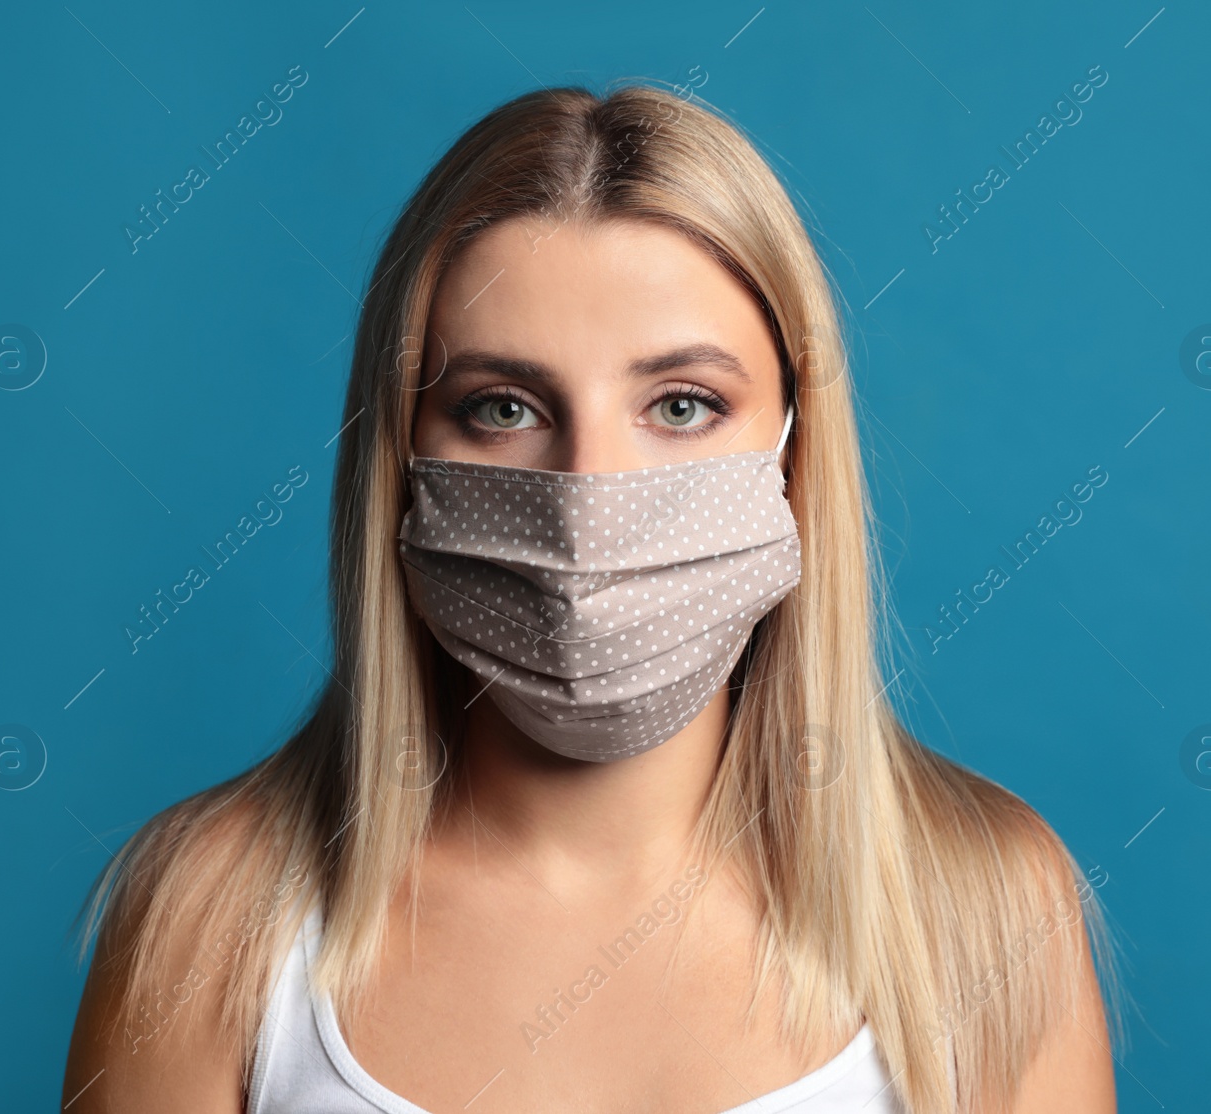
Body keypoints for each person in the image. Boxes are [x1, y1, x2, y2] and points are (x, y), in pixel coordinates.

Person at [62, 80, 1120, 1114]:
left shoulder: (987, 910)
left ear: (797, 453)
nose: (588, 494)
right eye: (503, 405)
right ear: (402, 458)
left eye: (682, 403)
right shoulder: (212, 915)